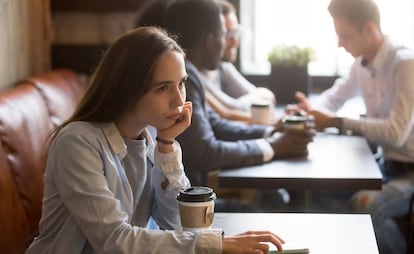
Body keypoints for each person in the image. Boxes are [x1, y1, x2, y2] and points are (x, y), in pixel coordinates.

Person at [25, 27, 286, 253]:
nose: (178, 100)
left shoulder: (152, 138)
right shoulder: (77, 142)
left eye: (181, 83)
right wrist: (215, 244)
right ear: (127, 89)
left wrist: (167, 146)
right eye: (163, 88)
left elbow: (174, 223)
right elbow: (114, 241)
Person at [290, 0, 414, 253]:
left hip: (410, 173)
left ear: (369, 29)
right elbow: (334, 98)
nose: (339, 44)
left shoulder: (405, 64)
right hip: (384, 166)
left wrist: (337, 122)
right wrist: (308, 109)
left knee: (365, 207)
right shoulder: (361, 64)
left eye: (345, 36)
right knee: (318, 192)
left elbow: (397, 133)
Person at [164, 0, 313, 188]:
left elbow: (217, 125)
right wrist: (273, 146)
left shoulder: (190, 73)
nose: (225, 43)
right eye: (223, 35)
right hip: (191, 200)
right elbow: (205, 152)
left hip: (193, 195)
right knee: (272, 203)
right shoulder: (184, 78)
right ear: (209, 41)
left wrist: (272, 131)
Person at [201, 0, 277, 124]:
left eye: (236, 32)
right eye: (228, 34)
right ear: (210, 37)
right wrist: (259, 108)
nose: (235, 41)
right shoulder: (192, 76)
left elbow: (268, 98)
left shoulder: (223, 67)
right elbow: (229, 112)